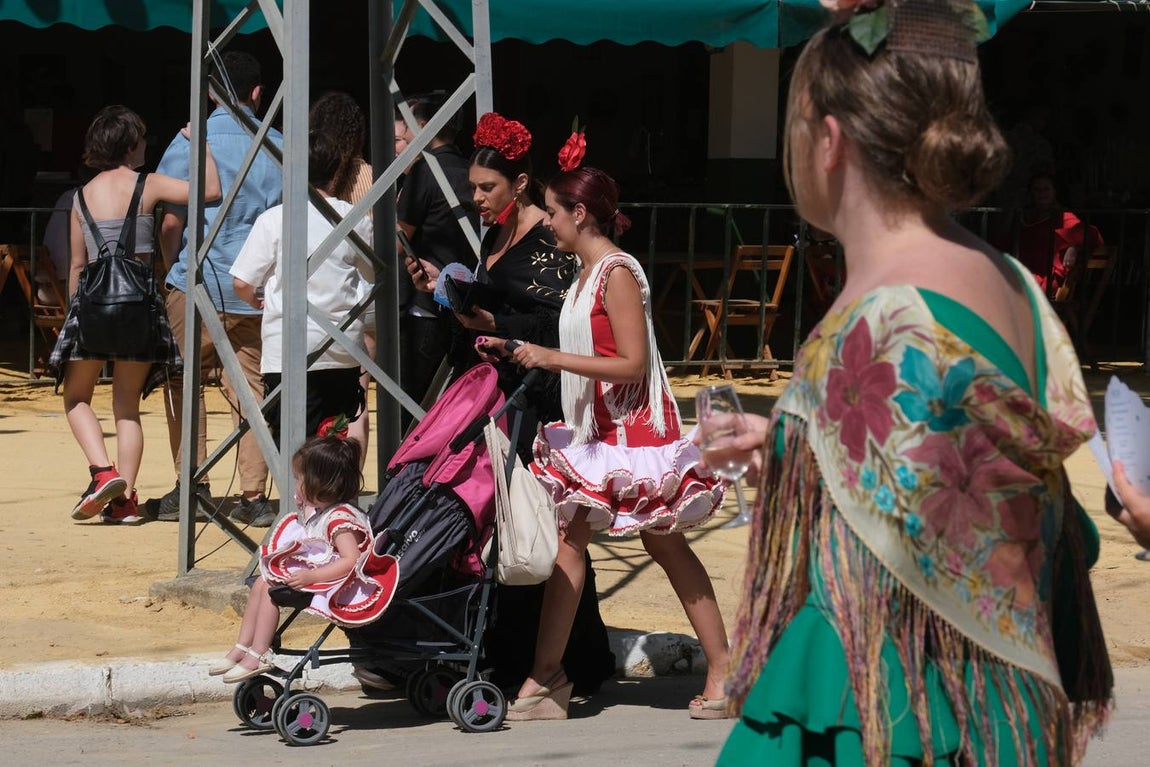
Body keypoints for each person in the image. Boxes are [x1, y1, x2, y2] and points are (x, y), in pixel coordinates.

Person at [713, 2, 1112, 764]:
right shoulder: (1009, 279)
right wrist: (800, 447)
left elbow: (877, 589)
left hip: (904, 711)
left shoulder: (879, 317)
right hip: (1004, 706)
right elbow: (970, 482)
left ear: (828, 142)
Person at [486, 156, 730, 722]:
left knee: (662, 544)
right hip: (600, 431)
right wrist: (512, 344)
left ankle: (721, 669)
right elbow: (579, 345)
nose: (546, 222)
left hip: (633, 432)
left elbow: (631, 364)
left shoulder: (617, 271)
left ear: (580, 213)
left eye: (552, 212)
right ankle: (548, 675)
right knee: (574, 540)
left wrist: (549, 357)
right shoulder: (586, 273)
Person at [404, 112, 615, 698]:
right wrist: (445, 295)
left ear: (520, 185)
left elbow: (560, 326)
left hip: (541, 403)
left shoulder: (552, 242)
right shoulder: (493, 234)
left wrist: (495, 319)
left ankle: (561, 662)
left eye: (485, 187)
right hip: (497, 396)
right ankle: (514, 653)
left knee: (539, 529)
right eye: (473, 187)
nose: (474, 197)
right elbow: (487, 318)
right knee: (510, 530)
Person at [49, 105, 221, 524]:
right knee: (127, 406)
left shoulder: (80, 196)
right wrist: (201, 144)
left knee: (76, 397)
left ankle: (101, 471)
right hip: (139, 306)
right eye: (142, 138)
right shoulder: (148, 185)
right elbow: (212, 191)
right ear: (129, 145)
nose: (146, 144)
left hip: (94, 306)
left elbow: (76, 265)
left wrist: (74, 316)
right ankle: (123, 501)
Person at [155, 50, 283, 526]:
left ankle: (193, 485)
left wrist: (174, 269)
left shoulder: (191, 140)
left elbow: (172, 220)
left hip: (197, 280)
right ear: (257, 93)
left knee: (183, 385)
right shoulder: (278, 146)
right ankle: (254, 495)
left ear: (209, 92)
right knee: (251, 391)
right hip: (253, 288)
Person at [230, 129, 374, 447]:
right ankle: (330, 496)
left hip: (288, 349)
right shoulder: (356, 218)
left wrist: (255, 299)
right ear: (337, 169)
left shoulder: (274, 219)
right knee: (333, 441)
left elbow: (242, 281)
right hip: (342, 348)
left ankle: (299, 498)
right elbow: (371, 272)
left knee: (292, 443)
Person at [208, 435, 384, 682]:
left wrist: (312, 576)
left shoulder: (341, 520)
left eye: (300, 480)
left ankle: (259, 652)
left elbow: (351, 560)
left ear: (320, 484)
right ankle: (243, 645)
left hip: (339, 581)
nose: (296, 485)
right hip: (321, 571)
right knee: (261, 583)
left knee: (269, 589)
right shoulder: (326, 510)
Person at [396, 92, 478, 409]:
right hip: (464, 300)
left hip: (423, 306)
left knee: (413, 408)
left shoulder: (424, 171)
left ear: (425, 126)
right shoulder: (471, 169)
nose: (403, 137)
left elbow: (398, 237)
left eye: (408, 129)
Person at [308, 92, 375, 462]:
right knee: (357, 401)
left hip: (316, 297)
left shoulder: (310, 178)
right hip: (361, 295)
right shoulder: (370, 176)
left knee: (315, 402)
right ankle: (353, 482)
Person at [997, 171, 1103, 298]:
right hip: (1023, 274)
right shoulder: (1024, 217)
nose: (1042, 193)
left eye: (1046, 189)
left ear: (1054, 192)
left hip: (1045, 281)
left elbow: (1091, 233)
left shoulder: (1061, 217)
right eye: (1037, 189)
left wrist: (1075, 247)